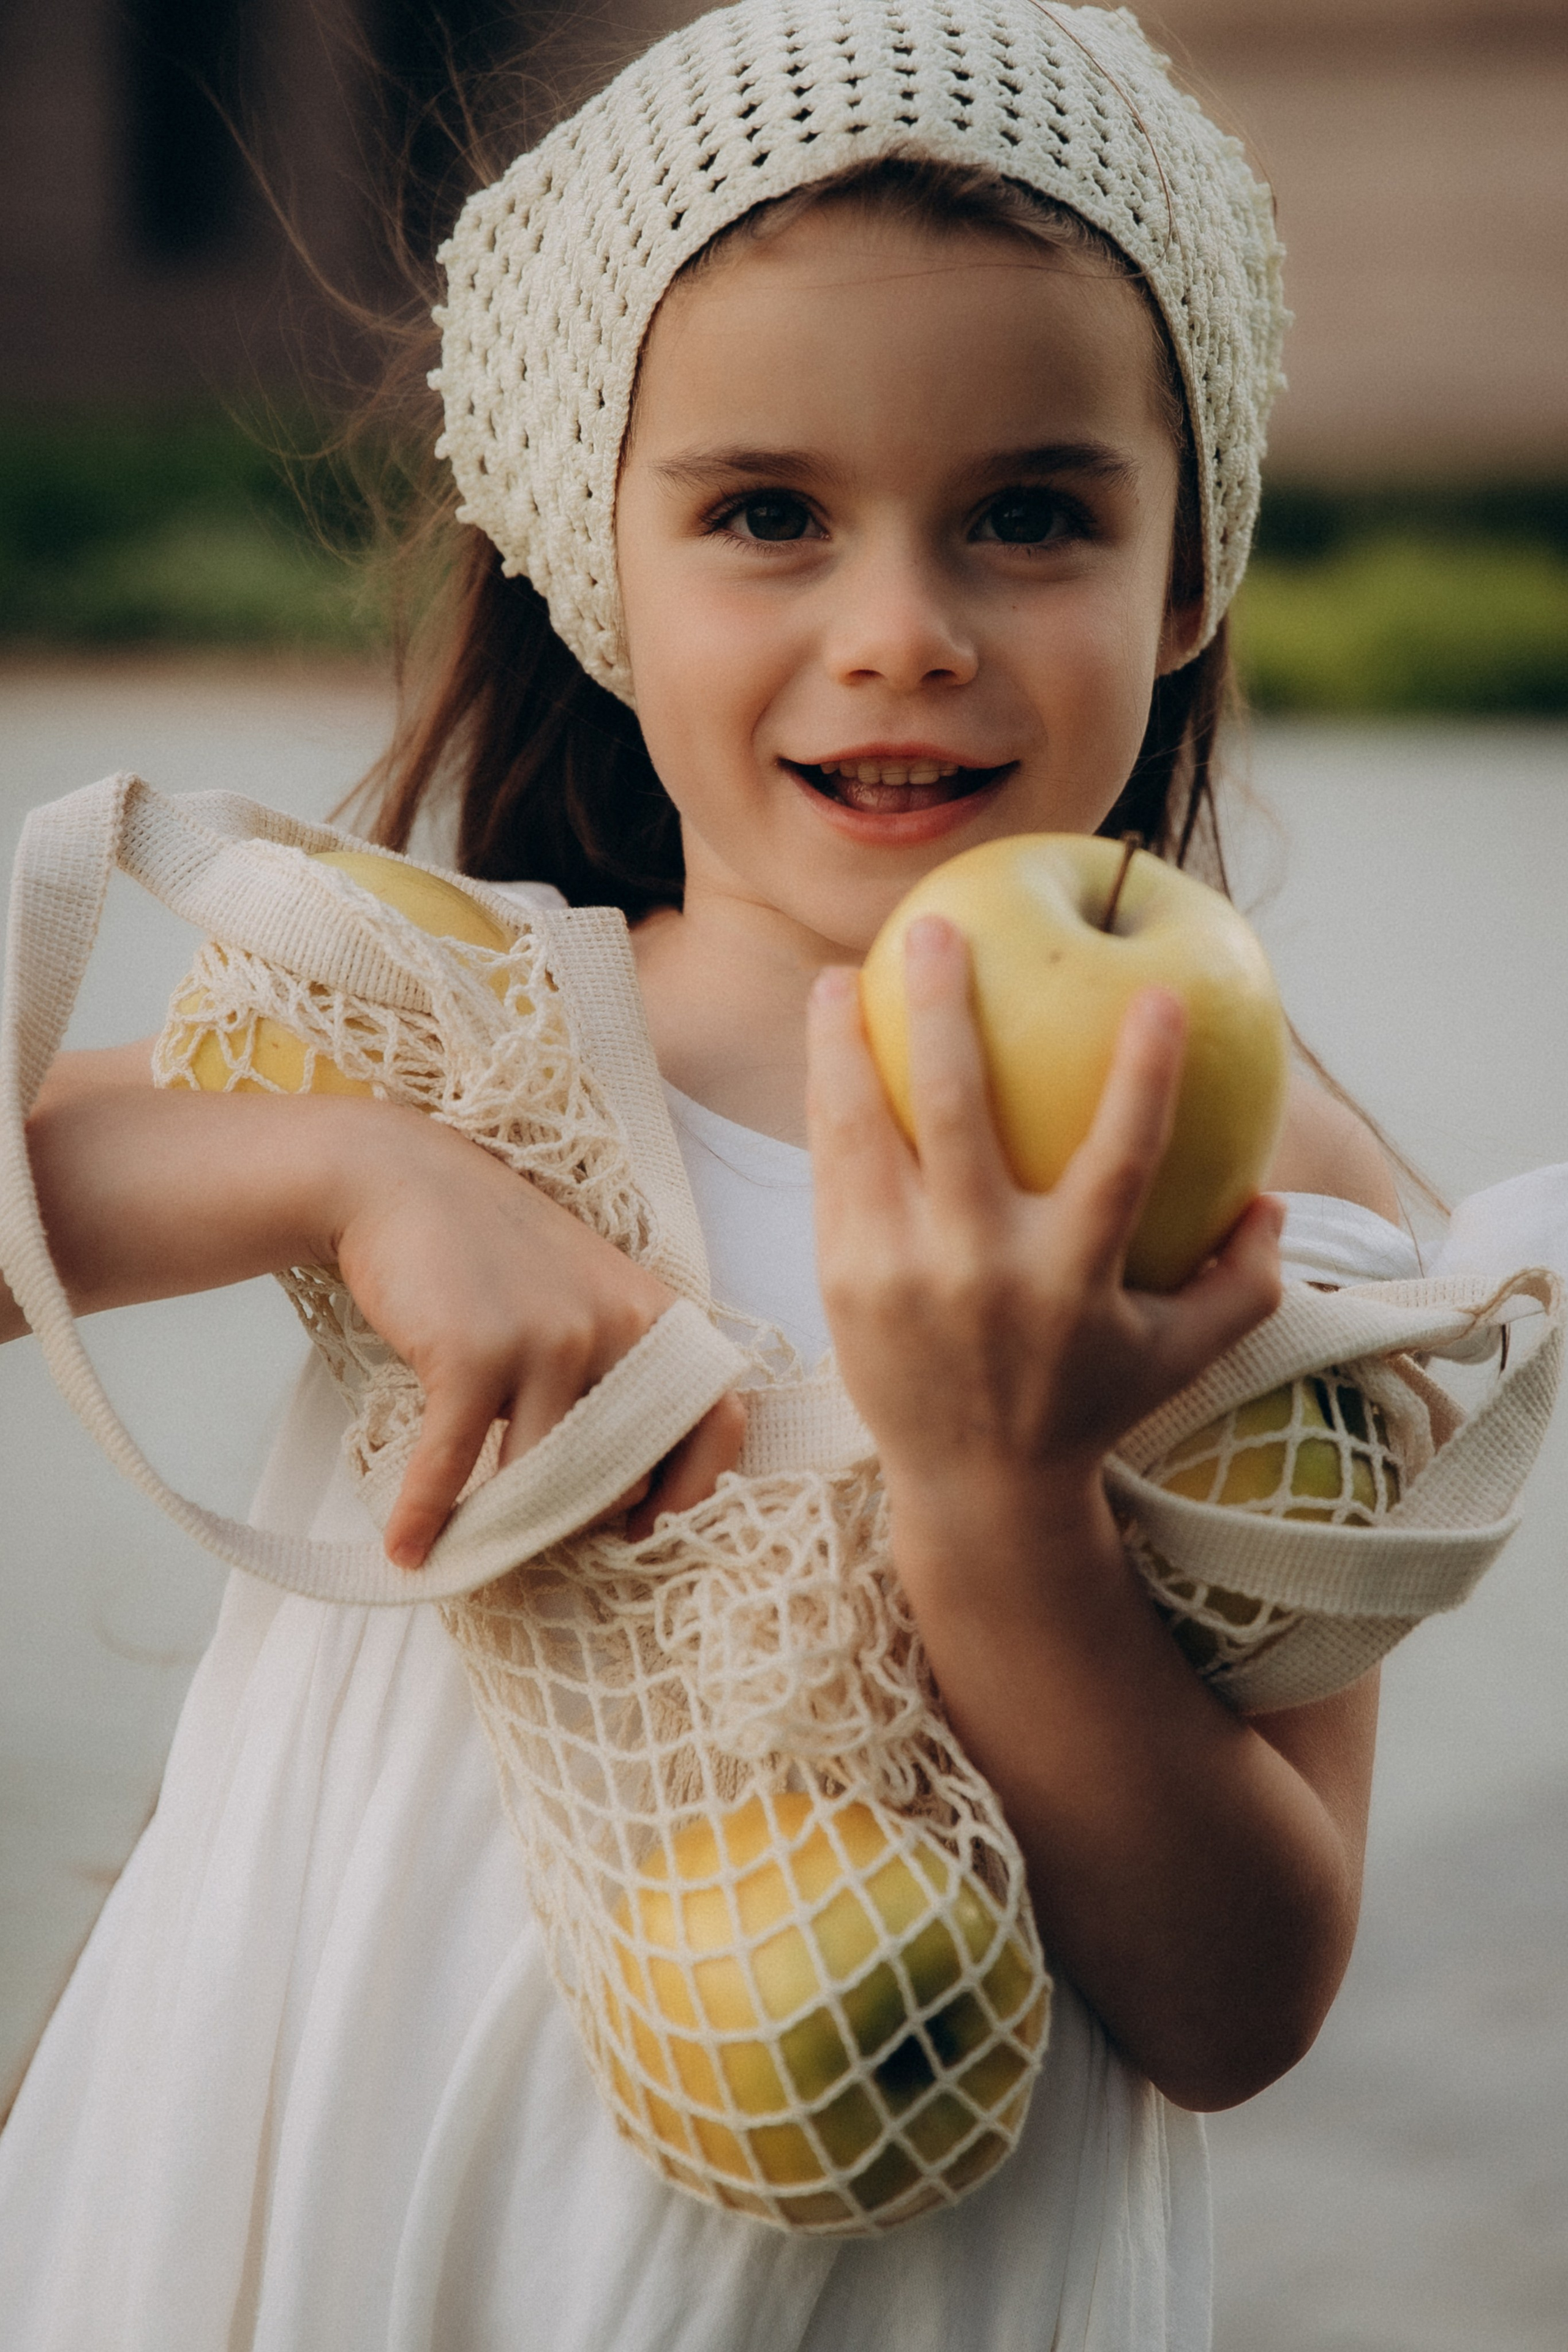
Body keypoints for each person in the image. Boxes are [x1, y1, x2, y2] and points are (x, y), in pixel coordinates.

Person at [0, 4, 1453, 2345]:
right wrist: (351, 1173)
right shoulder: (470, 1028)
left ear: (1191, 576)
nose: (903, 630)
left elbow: (1240, 2002)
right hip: (320, 2207)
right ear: (601, 562)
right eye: (770, 514)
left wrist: (1001, 1510)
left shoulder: (1258, 1202)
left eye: (1033, 512)